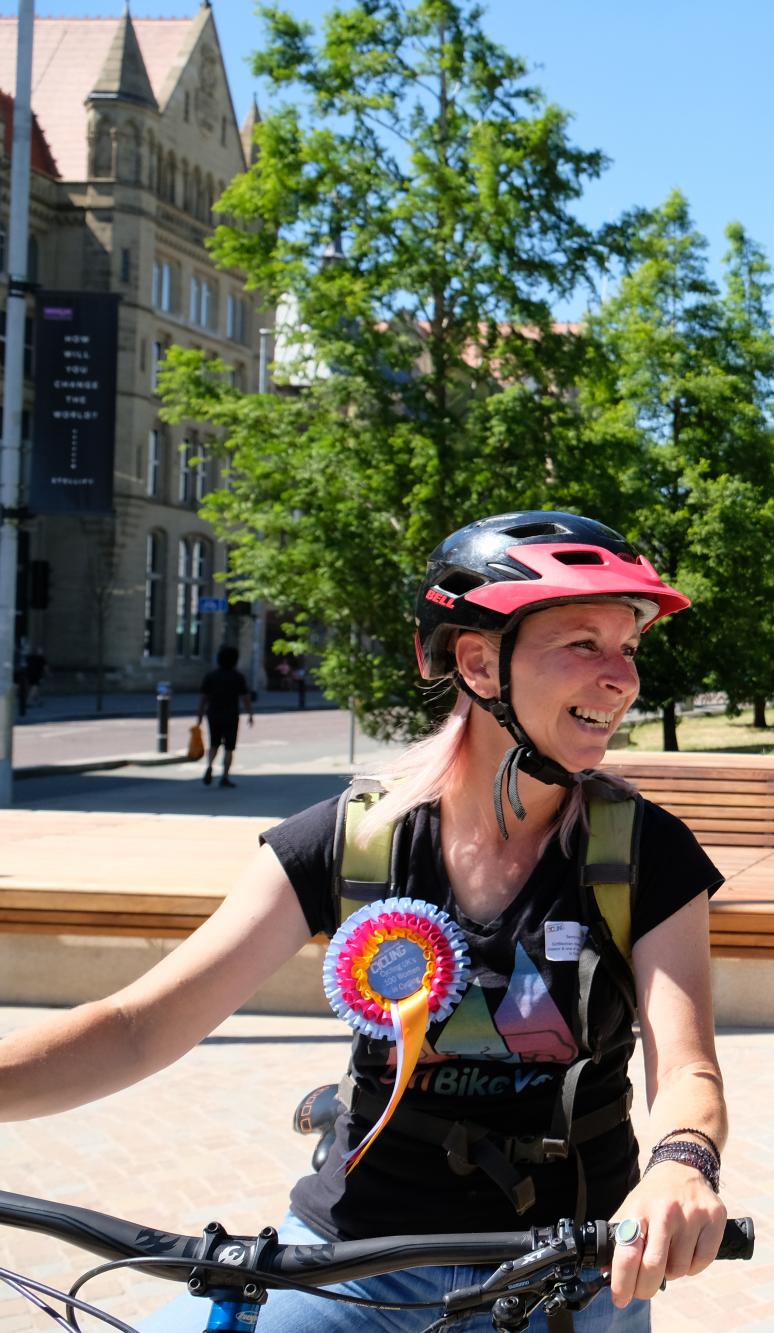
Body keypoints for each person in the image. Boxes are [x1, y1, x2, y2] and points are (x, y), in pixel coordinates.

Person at [0, 511, 732, 1331]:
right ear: (479, 662)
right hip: (352, 1264)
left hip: (568, 1272)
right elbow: (138, 1027)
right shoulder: (350, 841)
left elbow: (688, 1072)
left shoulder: (644, 853)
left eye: (626, 649)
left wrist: (681, 1163)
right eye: (583, 644)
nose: (622, 678)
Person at [196, 645, 255, 787]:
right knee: (229, 747)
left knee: (214, 743)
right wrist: (250, 714)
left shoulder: (211, 676)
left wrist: (199, 716)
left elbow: (203, 698)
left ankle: (209, 766)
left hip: (213, 714)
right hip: (231, 715)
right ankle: (224, 776)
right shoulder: (238, 677)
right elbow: (245, 698)